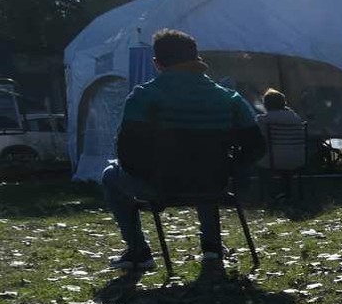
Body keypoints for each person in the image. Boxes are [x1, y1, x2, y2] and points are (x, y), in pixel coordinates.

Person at [101, 28, 265, 270]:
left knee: (109, 175)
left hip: (161, 185)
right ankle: (212, 247)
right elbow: (256, 146)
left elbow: (127, 152)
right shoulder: (229, 98)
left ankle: (139, 251)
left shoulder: (144, 97)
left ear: (157, 63)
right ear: (197, 59)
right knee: (205, 169)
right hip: (214, 183)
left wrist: (151, 176)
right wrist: (230, 169)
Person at [257, 88, 307, 176]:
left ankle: (264, 188)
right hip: (298, 160)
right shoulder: (297, 120)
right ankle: (287, 187)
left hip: (273, 160)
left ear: (266, 104)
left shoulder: (263, 120)